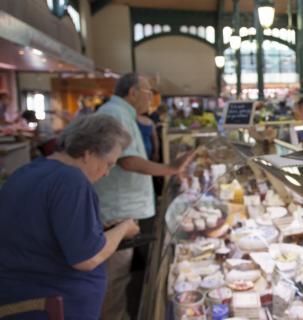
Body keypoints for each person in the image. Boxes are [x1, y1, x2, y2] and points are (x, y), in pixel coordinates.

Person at [0, 114, 140, 320]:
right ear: (88, 153)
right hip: (51, 306)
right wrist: (124, 228)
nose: (107, 172)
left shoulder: (27, 170)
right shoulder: (71, 180)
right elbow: (87, 258)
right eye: (108, 164)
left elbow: (44, 229)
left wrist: (98, 228)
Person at [94, 73, 194, 319]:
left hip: (128, 208)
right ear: (133, 92)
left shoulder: (125, 114)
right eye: (149, 91)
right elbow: (127, 161)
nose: (151, 97)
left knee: (125, 276)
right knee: (116, 277)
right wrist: (171, 169)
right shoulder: (115, 115)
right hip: (120, 210)